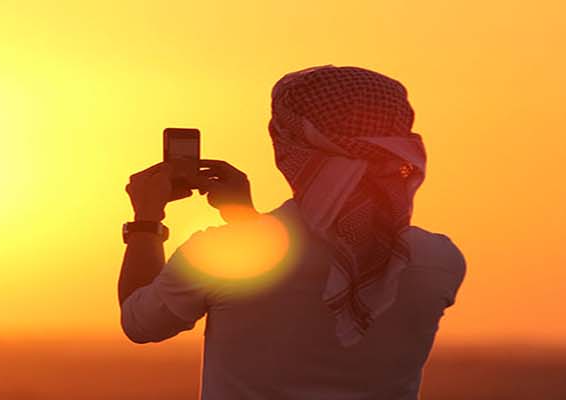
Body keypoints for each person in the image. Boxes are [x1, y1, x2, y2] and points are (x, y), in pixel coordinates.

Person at [117, 65, 466, 400]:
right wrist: (247, 221)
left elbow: (140, 322)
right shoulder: (438, 261)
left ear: (289, 148)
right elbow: (304, 275)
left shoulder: (220, 254)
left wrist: (146, 221)